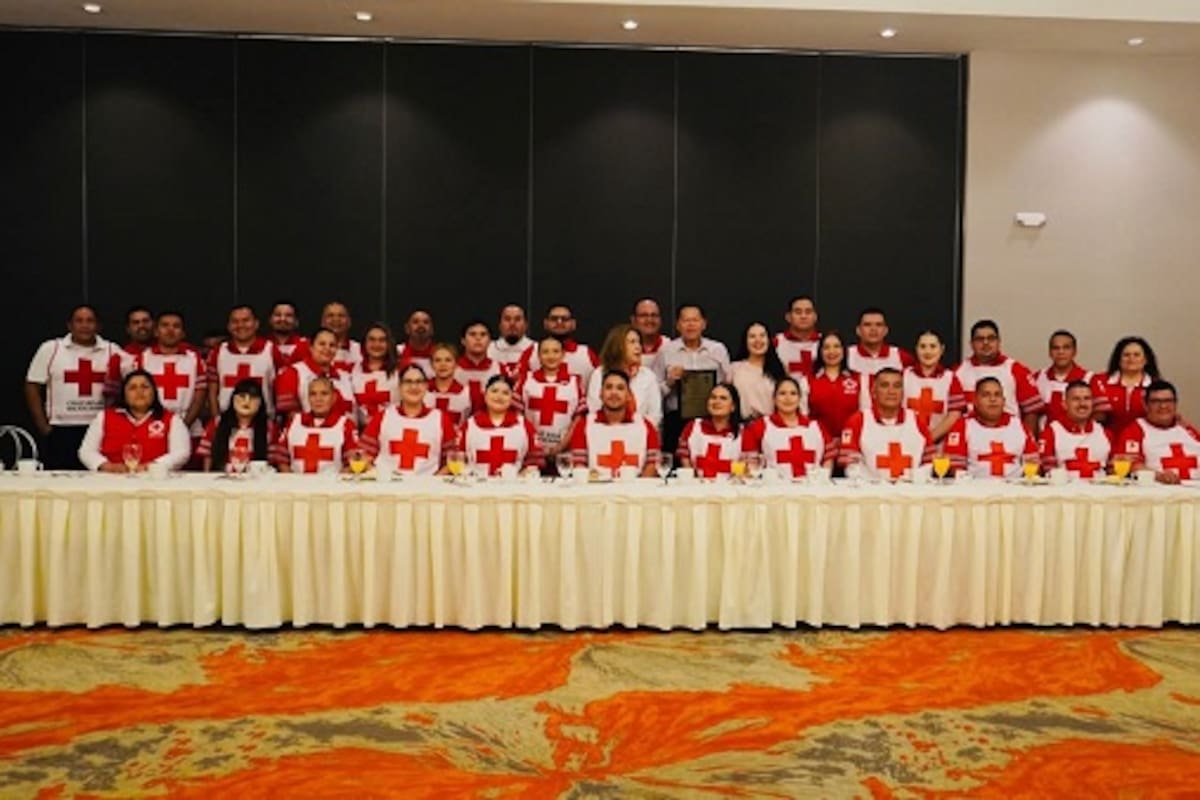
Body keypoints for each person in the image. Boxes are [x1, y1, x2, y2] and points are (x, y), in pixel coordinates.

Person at [25, 304, 119, 470]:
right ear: (69, 325)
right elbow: (32, 386)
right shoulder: (51, 348)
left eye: (90, 321)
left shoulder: (112, 350)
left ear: (99, 326)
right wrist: (44, 427)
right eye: (79, 321)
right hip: (61, 431)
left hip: (99, 430)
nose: (85, 325)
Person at [78, 369, 190, 472]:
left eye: (145, 387)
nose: (139, 391)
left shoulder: (172, 419)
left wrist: (152, 466)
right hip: (111, 479)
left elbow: (181, 452)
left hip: (154, 480)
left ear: (154, 392)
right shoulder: (104, 417)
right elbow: (86, 451)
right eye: (132, 388)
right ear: (124, 394)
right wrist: (107, 466)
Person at [657, 304, 731, 456]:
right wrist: (670, 381)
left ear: (704, 324)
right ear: (678, 325)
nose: (690, 325)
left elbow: (727, 386)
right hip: (676, 420)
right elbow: (655, 391)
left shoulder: (717, 350)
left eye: (695, 320)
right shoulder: (666, 351)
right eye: (685, 320)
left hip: (711, 418)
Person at [360, 364, 457, 476]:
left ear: (426, 386)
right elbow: (363, 456)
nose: (414, 387)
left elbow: (452, 461)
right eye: (408, 382)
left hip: (427, 489)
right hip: (386, 487)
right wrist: (378, 477)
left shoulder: (441, 419)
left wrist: (433, 483)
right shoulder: (383, 417)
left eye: (419, 382)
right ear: (400, 387)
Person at [838, 368, 933, 481]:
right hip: (870, 493)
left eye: (897, 386)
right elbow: (850, 465)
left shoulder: (917, 420)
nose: (891, 391)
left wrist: (914, 481)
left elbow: (929, 460)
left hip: (911, 492)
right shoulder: (858, 421)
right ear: (873, 392)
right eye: (884, 385)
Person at [129, 311, 208, 446]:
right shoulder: (142, 359)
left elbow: (200, 396)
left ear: (183, 333)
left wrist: (183, 427)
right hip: (151, 430)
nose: (170, 330)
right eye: (165, 325)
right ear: (156, 331)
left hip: (190, 430)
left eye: (176, 326)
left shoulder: (195, 358)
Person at [953, 319, 1045, 434]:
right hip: (970, 438)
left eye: (991, 338)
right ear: (971, 344)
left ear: (999, 342)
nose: (986, 343)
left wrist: (1026, 440)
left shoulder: (1016, 369)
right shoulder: (958, 372)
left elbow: (1032, 412)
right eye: (980, 339)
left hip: (1009, 438)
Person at [568, 369, 660, 478]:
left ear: (629, 396)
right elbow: (579, 465)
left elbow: (653, 464)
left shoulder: (645, 425)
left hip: (636, 491)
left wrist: (637, 489)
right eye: (608, 387)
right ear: (600, 394)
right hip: (595, 492)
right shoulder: (584, 425)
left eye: (620, 388)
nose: (614, 392)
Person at [944, 377, 1039, 479]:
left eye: (997, 394)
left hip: (1015, 490)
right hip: (974, 490)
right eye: (986, 395)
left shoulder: (1019, 426)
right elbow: (954, 467)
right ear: (975, 401)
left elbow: (1034, 465)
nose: (993, 399)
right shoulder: (962, 425)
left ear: (1003, 400)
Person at [741, 377, 834, 478]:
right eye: (782, 393)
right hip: (775, 490)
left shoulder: (816, 427)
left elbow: (829, 457)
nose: (788, 398)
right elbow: (751, 463)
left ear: (799, 399)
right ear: (774, 399)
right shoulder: (760, 426)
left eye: (793, 393)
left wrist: (823, 479)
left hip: (813, 489)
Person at [1113, 379, 1200, 484]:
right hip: (1158, 492)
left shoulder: (1187, 429)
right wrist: (1159, 476)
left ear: (1175, 403)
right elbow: (1132, 466)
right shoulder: (1135, 430)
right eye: (1156, 401)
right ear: (1145, 405)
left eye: (1168, 401)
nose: (1163, 406)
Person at [207, 305, 281, 418]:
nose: (240, 325)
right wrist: (216, 420)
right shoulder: (218, 352)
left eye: (246, 320)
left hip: (263, 421)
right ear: (229, 326)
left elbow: (279, 388)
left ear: (256, 324)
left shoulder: (271, 350)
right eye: (235, 321)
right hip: (226, 421)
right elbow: (212, 392)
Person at [520, 335, 586, 462]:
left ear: (563, 355)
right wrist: (535, 445)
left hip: (564, 454)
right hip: (531, 453)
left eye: (556, 351)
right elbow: (519, 416)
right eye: (545, 351)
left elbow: (578, 419)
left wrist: (561, 447)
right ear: (538, 356)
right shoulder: (526, 380)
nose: (551, 356)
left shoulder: (575, 382)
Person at [459, 375, 541, 476]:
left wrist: (523, 475)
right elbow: (457, 458)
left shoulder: (524, 426)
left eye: (505, 393)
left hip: (513, 487)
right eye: (494, 391)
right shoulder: (469, 425)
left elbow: (534, 461)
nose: (499, 397)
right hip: (476, 487)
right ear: (485, 395)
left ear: (511, 399)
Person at [275, 376, 359, 474]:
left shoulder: (345, 425)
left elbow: (353, 462)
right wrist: (290, 480)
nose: (318, 399)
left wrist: (335, 483)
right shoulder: (294, 421)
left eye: (324, 394)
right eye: (313, 394)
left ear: (334, 398)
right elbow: (281, 458)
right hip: (295, 486)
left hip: (332, 486)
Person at [587, 323, 662, 429]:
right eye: (632, 342)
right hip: (605, 434)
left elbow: (655, 415)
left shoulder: (648, 376)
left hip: (640, 436)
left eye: (639, 342)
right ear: (618, 346)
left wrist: (634, 432)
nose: (638, 347)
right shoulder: (600, 374)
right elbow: (594, 409)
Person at [196, 379, 277, 473]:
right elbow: (208, 456)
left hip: (256, 482)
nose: (247, 401)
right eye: (242, 396)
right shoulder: (216, 424)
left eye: (253, 397)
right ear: (233, 398)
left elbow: (273, 462)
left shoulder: (270, 428)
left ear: (260, 402)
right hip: (222, 480)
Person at [273, 327, 355, 419]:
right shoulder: (293, 373)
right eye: (322, 344)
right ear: (311, 347)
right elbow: (288, 415)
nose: (327, 348)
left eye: (332, 345)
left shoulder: (346, 377)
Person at [1037, 380, 1112, 479]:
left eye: (1087, 398)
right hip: (1062, 492)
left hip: (1100, 492)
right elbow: (1046, 470)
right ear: (1064, 404)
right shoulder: (1051, 432)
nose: (1082, 404)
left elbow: (1113, 469)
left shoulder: (1105, 433)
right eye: (1076, 399)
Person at [902, 330, 965, 444]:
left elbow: (954, 415)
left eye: (933, 346)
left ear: (941, 349)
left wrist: (929, 438)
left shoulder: (951, 378)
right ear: (916, 349)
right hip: (906, 441)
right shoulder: (904, 375)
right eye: (923, 346)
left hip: (939, 445)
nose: (928, 351)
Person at [520, 303, 601, 388]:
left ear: (573, 324)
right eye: (554, 319)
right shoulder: (532, 351)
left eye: (565, 319)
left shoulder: (586, 354)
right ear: (545, 323)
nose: (559, 322)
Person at [1094, 335, 1160, 435]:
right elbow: (1096, 418)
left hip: (1146, 440)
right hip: (1105, 439)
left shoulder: (1157, 386)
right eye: (1126, 355)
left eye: (1136, 355)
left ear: (1146, 360)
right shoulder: (1099, 381)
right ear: (1118, 359)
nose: (1131, 358)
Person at [677, 383, 744, 478]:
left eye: (723, 398)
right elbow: (684, 459)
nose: (717, 401)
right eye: (713, 397)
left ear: (733, 406)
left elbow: (745, 466)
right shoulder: (693, 426)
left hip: (731, 488)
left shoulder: (744, 432)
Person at [729, 321, 793, 420]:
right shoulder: (734, 368)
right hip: (742, 426)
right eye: (752, 336)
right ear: (745, 341)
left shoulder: (780, 369)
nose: (758, 340)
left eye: (762, 336)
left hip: (771, 426)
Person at [807, 330, 863, 441]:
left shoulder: (859, 379)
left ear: (844, 350)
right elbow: (804, 417)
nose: (831, 351)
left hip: (852, 442)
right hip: (818, 441)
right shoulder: (807, 381)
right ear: (820, 351)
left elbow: (864, 414)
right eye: (826, 347)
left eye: (836, 346)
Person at [1034, 330, 1094, 426]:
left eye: (1066, 348)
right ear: (1049, 352)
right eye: (1056, 348)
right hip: (1044, 438)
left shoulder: (1090, 379)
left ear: (1074, 351)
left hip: (1078, 438)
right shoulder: (1037, 378)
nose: (1061, 352)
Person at [351, 323, 399, 428]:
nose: (376, 344)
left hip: (392, 430)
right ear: (364, 343)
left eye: (382, 340)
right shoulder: (353, 370)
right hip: (362, 432)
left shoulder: (400, 371)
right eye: (372, 340)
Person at [847, 307, 915, 376]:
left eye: (879, 325)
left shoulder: (902, 357)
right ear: (858, 330)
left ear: (886, 330)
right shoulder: (847, 355)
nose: (873, 329)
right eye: (867, 325)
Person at [455, 320, 502, 414]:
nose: (478, 338)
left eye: (483, 334)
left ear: (489, 341)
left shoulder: (500, 369)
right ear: (463, 341)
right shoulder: (451, 369)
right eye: (472, 334)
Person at [773, 295, 821, 381]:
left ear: (815, 317)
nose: (803, 316)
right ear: (788, 317)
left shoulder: (826, 343)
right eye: (798, 312)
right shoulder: (776, 343)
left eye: (808, 312)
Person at [425, 342, 472, 426]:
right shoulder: (422, 390)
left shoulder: (466, 393)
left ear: (456, 364)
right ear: (431, 364)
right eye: (438, 360)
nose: (443, 364)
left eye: (448, 360)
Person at [487, 303, 536, 378]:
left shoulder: (537, 350)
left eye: (517, 319)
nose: (512, 323)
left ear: (526, 325)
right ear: (500, 325)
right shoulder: (488, 349)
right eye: (507, 319)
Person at [320, 301, 361, 373]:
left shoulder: (359, 350)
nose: (336, 319)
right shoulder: (311, 350)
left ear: (349, 322)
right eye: (330, 315)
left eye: (341, 315)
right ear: (322, 322)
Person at [630, 298, 667, 369]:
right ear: (633, 320)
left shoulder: (669, 347)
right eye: (644, 315)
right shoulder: (622, 348)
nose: (650, 320)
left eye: (654, 315)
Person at [397, 309, 435, 376]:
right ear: (407, 328)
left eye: (426, 322)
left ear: (432, 329)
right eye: (415, 322)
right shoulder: (396, 353)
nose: (421, 325)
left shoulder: (440, 353)